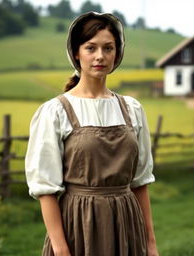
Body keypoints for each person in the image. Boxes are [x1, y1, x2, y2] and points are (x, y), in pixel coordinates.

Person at [25, 12, 159, 256]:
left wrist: (150, 244)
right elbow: (45, 189)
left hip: (126, 225)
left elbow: (140, 182)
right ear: (76, 53)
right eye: (91, 47)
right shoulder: (55, 112)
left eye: (108, 48)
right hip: (78, 225)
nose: (100, 56)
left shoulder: (132, 109)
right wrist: (61, 249)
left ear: (117, 53)